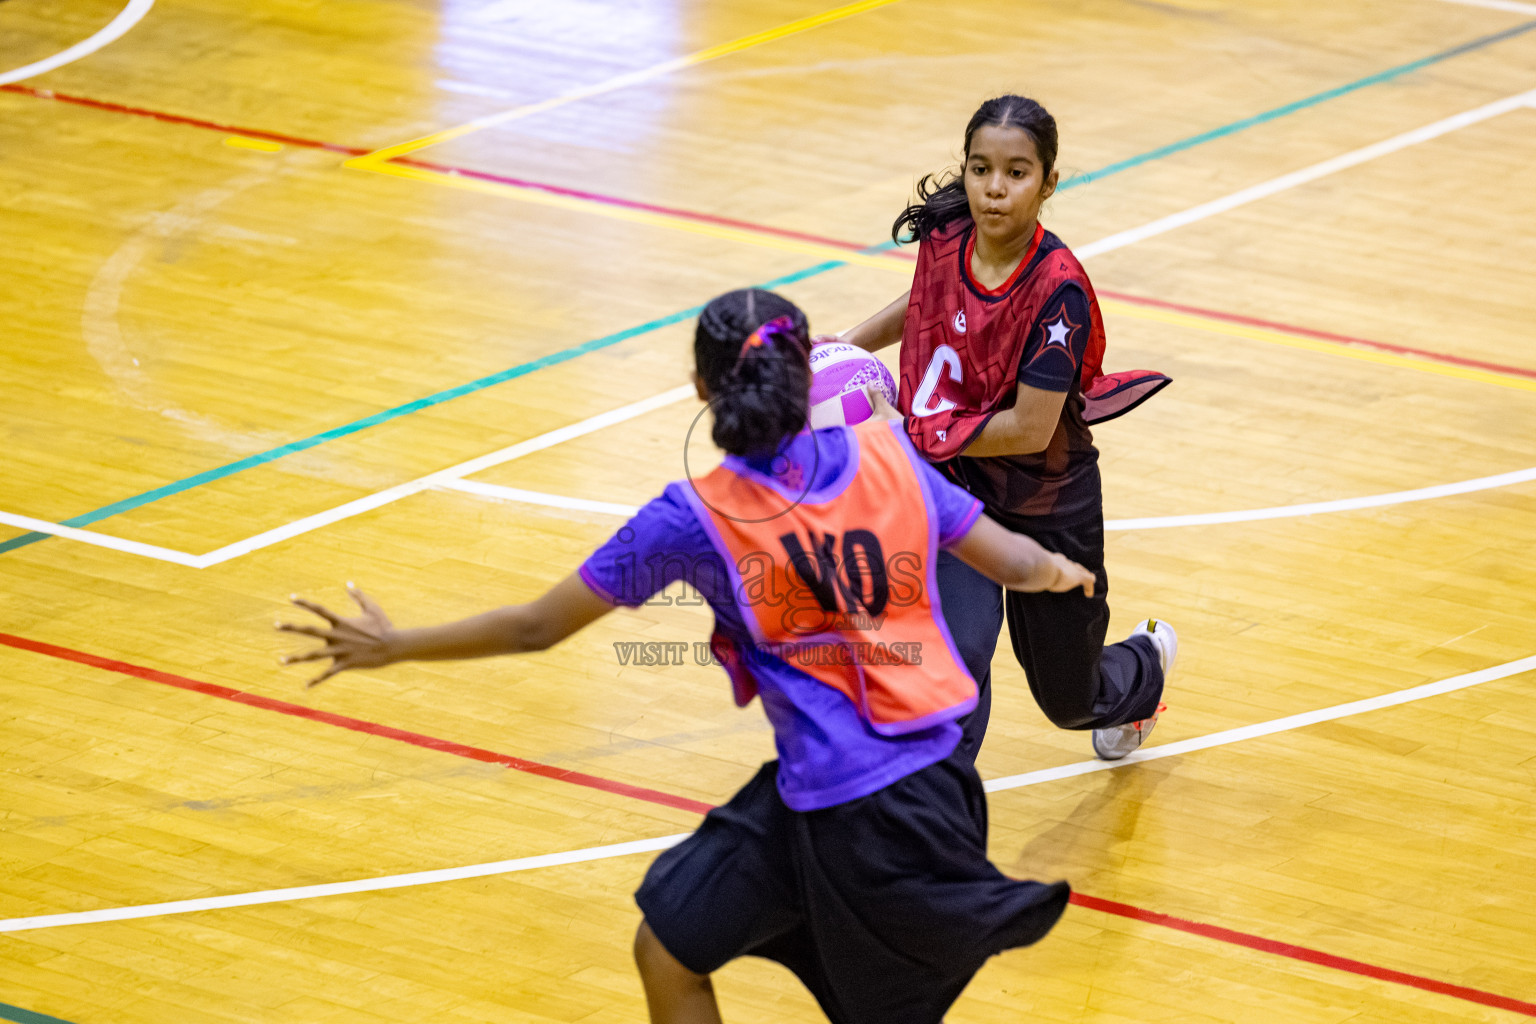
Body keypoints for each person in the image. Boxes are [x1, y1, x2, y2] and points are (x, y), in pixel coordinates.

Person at [278, 288, 1098, 1024]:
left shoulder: (692, 516)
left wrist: (395, 646)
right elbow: (1019, 564)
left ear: (703, 393)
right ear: (806, 373)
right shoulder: (891, 462)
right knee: (668, 940)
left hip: (879, 813)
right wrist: (1065, 572)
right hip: (885, 788)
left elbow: (537, 626)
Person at [839, 94, 1177, 763]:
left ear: (1048, 183)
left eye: (1016, 173)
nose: (994, 189)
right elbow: (926, 301)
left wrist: (914, 433)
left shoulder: (1059, 291)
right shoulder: (948, 237)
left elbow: (1028, 427)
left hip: (1043, 500)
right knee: (957, 656)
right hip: (955, 483)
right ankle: (944, 825)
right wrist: (844, 346)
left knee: (1070, 698)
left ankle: (1146, 664)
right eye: (980, 169)